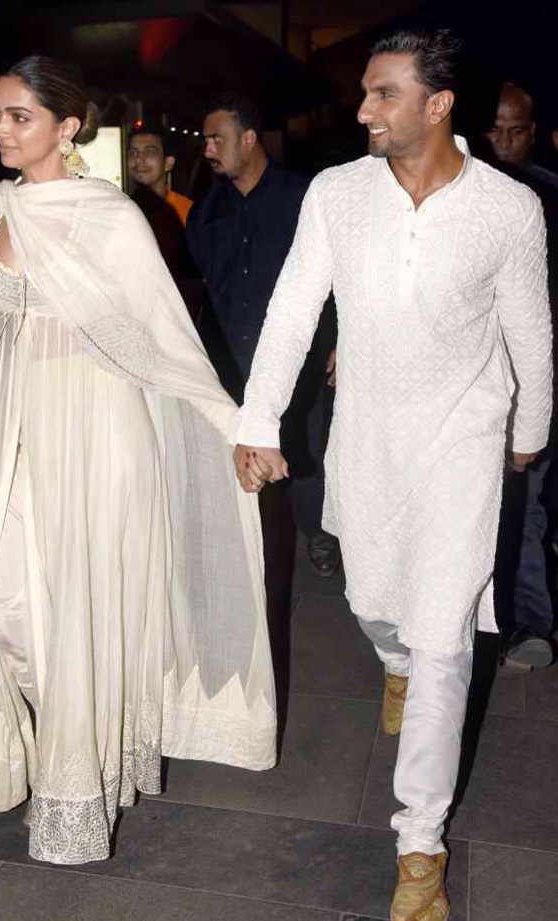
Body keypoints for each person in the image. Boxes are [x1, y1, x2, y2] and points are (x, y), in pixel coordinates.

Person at [233, 27, 552, 921]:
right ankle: (394, 663)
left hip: (464, 439)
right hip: (367, 437)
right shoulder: (339, 194)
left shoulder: (507, 208)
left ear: (437, 104)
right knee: (380, 606)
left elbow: (530, 330)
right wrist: (257, 418)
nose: (363, 109)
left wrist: (530, 428)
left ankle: (420, 844)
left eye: (382, 94)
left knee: (447, 636)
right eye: (365, 93)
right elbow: (294, 307)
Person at [0, 55, 276, 866]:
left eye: (19, 116)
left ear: (67, 128)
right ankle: (57, 751)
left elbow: (166, 341)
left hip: (101, 436)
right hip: (28, 434)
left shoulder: (109, 217)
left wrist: (236, 426)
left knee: (81, 610)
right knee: (13, 608)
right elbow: (0, 343)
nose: (0, 129)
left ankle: (77, 784)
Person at [186, 91, 339, 581]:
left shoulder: (303, 196)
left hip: (299, 357)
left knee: (304, 447)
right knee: (240, 452)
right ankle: (243, 547)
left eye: (217, 138)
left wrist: (337, 340)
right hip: (229, 357)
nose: (208, 149)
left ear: (249, 138)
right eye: (206, 139)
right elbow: (201, 288)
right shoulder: (205, 211)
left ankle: (317, 534)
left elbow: (338, 278)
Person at [485, 82, 558, 669]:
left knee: (527, 502)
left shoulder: (548, 198)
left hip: (531, 377)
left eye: (517, 131)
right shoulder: (465, 193)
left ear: (532, 133)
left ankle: (530, 620)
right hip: (471, 377)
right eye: (496, 129)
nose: (505, 142)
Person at [127, 126, 194, 283]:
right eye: (133, 153)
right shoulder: (122, 210)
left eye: (150, 152)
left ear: (168, 163)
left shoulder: (187, 211)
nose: (139, 160)